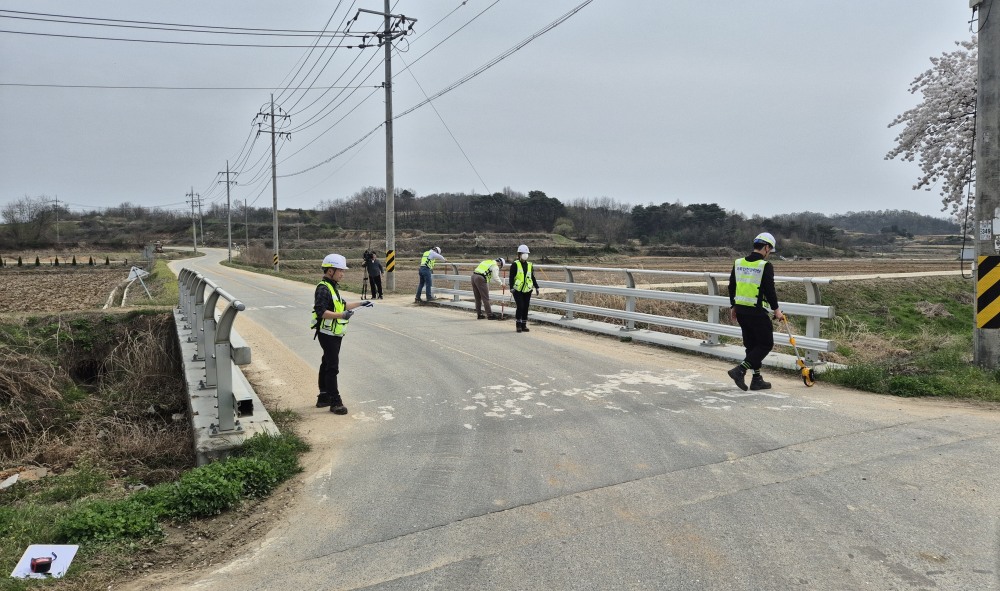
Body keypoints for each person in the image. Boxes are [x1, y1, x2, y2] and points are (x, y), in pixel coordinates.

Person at [313, 253, 373, 414]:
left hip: (333, 333)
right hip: (327, 334)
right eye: (340, 270)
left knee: (326, 363)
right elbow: (321, 312)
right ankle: (335, 402)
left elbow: (342, 305)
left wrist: (361, 303)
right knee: (332, 367)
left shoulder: (332, 287)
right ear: (330, 270)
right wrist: (341, 315)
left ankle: (323, 397)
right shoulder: (323, 288)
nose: (342, 273)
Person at [727, 232, 785, 391]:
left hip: (741, 311)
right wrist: (777, 310)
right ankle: (740, 370)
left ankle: (757, 379)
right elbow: (770, 290)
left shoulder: (738, 262)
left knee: (752, 346)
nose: (769, 253)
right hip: (757, 312)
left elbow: (732, 286)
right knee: (765, 344)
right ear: (766, 247)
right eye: (770, 250)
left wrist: (733, 306)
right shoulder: (765, 266)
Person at [509, 244, 539, 333]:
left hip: (527, 289)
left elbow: (532, 277)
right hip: (517, 289)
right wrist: (511, 287)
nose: (525, 255)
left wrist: (536, 287)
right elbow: (511, 277)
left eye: (526, 253)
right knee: (520, 306)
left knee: (526, 307)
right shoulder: (515, 264)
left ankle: (524, 325)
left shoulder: (530, 265)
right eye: (523, 253)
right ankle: (518, 325)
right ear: (519, 254)